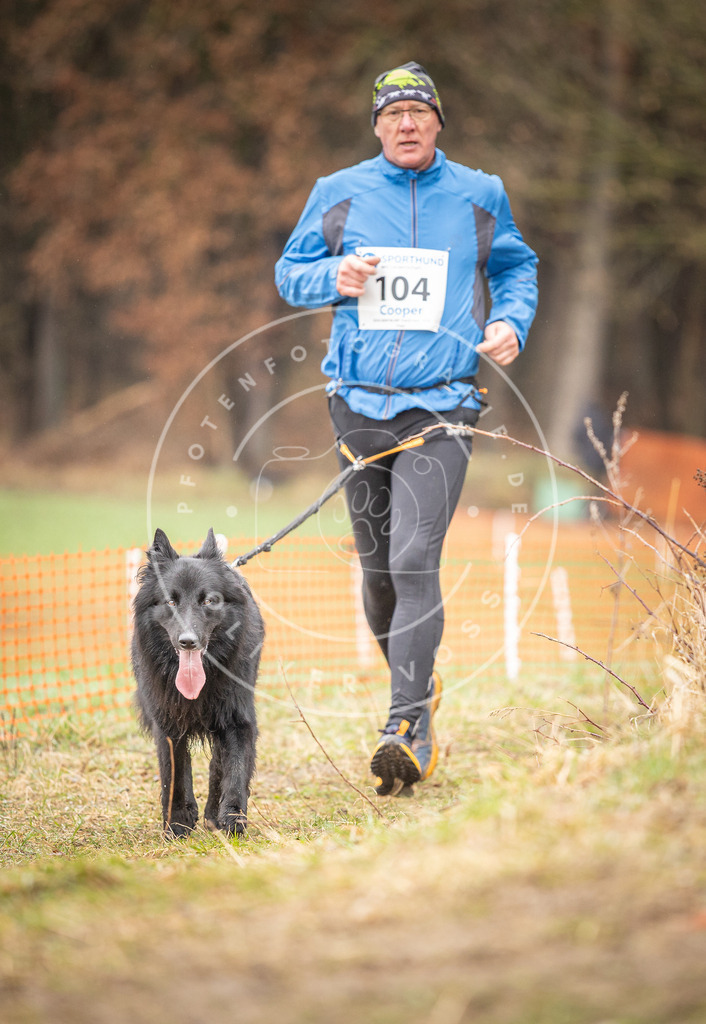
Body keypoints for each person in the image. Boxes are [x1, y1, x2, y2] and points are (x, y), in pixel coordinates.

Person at [275, 61, 538, 796]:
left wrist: (510, 317)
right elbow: (290, 272)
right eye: (393, 114)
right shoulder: (338, 194)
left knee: (415, 554)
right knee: (379, 572)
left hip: (443, 403)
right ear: (377, 126)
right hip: (357, 401)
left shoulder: (479, 194)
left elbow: (517, 266)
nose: (407, 123)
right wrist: (336, 278)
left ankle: (405, 723)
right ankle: (418, 693)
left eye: (419, 111)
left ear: (438, 122)